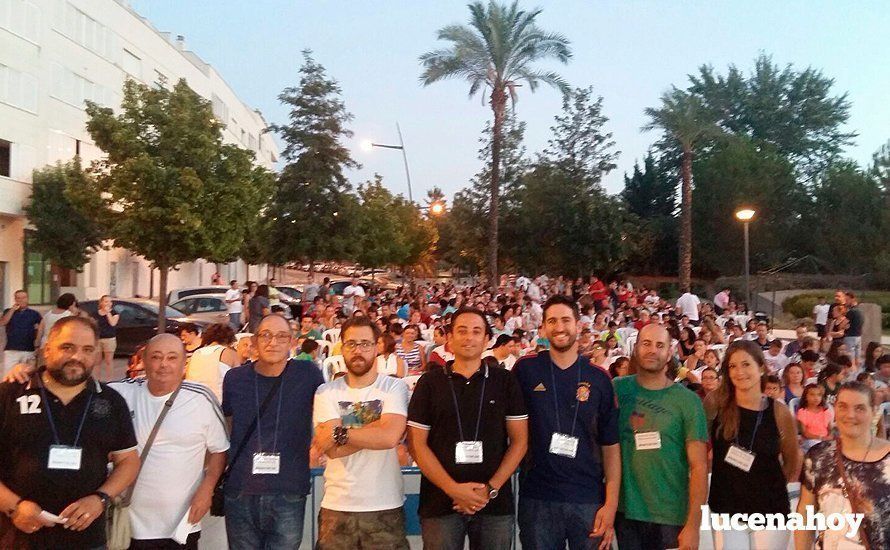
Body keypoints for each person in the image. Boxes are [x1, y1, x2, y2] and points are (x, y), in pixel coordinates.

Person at [0, 316, 139, 548]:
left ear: (96, 354)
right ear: (47, 349)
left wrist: (101, 499)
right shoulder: (9, 395)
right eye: (67, 347)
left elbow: (128, 461)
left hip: (87, 540)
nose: (77, 357)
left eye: (87, 350)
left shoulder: (111, 402)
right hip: (17, 537)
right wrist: (14, 507)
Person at [407, 307, 528, 550]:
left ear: (487, 340)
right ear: (449, 338)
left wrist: (490, 489)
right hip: (440, 503)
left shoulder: (504, 381)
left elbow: (520, 442)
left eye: (476, 331)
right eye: (461, 331)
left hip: (494, 505)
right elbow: (416, 444)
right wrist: (452, 489)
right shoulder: (429, 383)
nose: (468, 337)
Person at [513, 295, 621, 550]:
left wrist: (611, 504)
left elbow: (611, 446)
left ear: (578, 325)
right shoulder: (525, 370)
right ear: (543, 328)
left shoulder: (599, 378)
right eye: (552, 321)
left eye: (565, 320)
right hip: (538, 498)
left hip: (587, 499)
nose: (559, 327)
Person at [109, 334, 228, 549]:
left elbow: (220, 450)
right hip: (130, 523)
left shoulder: (201, 398)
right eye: (156, 357)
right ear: (143, 360)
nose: (164, 364)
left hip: (181, 524)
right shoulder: (122, 393)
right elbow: (78, 385)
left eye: (172, 358)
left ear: (184, 363)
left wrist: (207, 489)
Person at [221, 314, 324, 549]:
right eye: (265, 335)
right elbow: (226, 426)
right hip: (241, 490)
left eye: (281, 336)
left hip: (288, 490)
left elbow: (326, 415)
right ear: (254, 342)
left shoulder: (308, 375)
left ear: (292, 342)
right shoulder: (235, 379)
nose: (272, 342)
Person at [311, 316, 410, 549]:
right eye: (351, 344)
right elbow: (331, 450)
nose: (358, 350)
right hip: (337, 508)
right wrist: (376, 428)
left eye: (365, 343)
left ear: (377, 347)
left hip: (385, 505)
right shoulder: (326, 391)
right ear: (342, 347)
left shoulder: (393, 387)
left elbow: (389, 438)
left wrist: (340, 433)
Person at [614, 323, 708, 550]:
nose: (652, 350)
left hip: (671, 515)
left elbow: (699, 466)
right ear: (635, 349)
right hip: (627, 514)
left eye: (659, 345)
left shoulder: (688, 401)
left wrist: (694, 525)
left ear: (669, 353)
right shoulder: (616, 390)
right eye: (646, 344)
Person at [796, 382, 890, 550]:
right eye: (843, 406)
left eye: (860, 408)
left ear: (874, 412)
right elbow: (805, 512)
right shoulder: (818, 456)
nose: (850, 415)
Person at [187, 323, 238, 402]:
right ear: (229, 338)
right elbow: (238, 380)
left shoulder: (196, 353)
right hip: (219, 402)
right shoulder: (229, 353)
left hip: (194, 400)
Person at [1, 290, 42, 376]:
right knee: (7, 375)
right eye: (18, 298)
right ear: (15, 299)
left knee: (27, 376)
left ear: (27, 299)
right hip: (11, 350)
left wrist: (38, 343)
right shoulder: (8, 311)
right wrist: (12, 310)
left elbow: (42, 328)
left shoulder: (34, 314)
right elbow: (3, 322)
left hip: (28, 350)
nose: (21, 300)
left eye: (23, 298)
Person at [798, 383, 833, 452]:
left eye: (819, 395)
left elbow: (830, 428)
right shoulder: (803, 412)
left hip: (825, 440)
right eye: (812, 395)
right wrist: (820, 438)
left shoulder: (825, 411)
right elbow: (804, 433)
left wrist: (830, 436)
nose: (816, 398)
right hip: (811, 440)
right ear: (806, 397)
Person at [843, 292, 864, 363]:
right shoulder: (860, 310)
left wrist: (844, 327)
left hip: (850, 336)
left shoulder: (851, 312)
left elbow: (843, 324)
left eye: (847, 300)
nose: (845, 302)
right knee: (857, 357)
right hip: (858, 336)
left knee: (850, 357)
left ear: (852, 299)